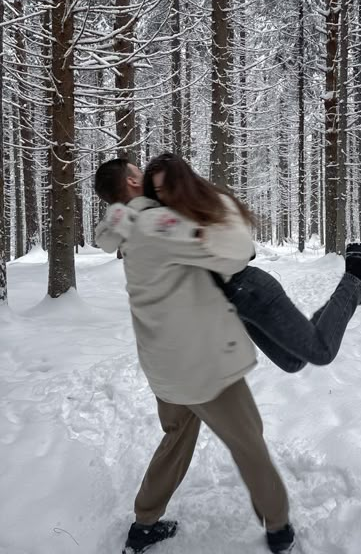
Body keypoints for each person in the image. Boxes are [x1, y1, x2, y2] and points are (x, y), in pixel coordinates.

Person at [94, 159, 295, 554]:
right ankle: (279, 528)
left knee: (176, 438)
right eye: (141, 171)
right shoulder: (157, 224)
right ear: (134, 181)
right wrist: (218, 200)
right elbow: (236, 253)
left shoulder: (124, 226)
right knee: (249, 443)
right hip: (202, 368)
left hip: (164, 367)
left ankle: (145, 523)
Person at [141, 152, 361, 374]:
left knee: (321, 352)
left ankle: (357, 273)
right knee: (292, 362)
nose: (165, 197)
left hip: (253, 290)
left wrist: (196, 237)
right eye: (159, 191)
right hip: (237, 304)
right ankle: (351, 296)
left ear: (185, 183)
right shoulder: (170, 219)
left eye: (169, 188)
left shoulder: (212, 204)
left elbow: (242, 250)